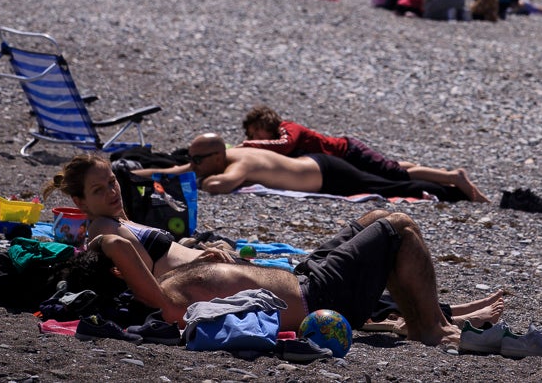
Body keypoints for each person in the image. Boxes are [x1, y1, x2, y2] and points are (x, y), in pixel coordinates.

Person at [68, 208, 496, 348]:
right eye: (120, 256)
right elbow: (118, 245)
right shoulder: (161, 299)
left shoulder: (165, 285)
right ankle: (432, 327)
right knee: (397, 227)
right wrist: (102, 242)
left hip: (303, 276)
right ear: (118, 270)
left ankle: (421, 317)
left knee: (376, 217)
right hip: (317, 297)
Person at [42, 153, 241, 280]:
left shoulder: (117, 221)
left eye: (112, 182)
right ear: (81, 202)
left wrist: (192, 247)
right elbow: (146, 280)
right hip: (206, 278)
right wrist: (194, 264)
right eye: (98, 190)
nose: (112, 192)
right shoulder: (102, 227)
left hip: (213, 270)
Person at [241, 106, 490, 202]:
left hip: (350, 152)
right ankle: (428, 170)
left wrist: (251, 146)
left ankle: (453, 177)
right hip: (346, 159)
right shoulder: (281, 133)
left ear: (267, 122)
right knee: (390, 171)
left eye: (256, 132)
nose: (256, 138)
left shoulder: (288, 128)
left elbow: (285, 145)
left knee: (397, 175)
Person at [172, 133, 476, 201]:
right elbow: (182, 171)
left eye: (198, 161)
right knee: (390, 174)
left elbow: (219, 186)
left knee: (393, 185)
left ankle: (455, 190)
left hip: (329, 174)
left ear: (215, 157)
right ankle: (450, 179)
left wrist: (199, 182)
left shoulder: (238, 163)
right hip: (321, 167)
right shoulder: (232, 153)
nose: (194, 166)